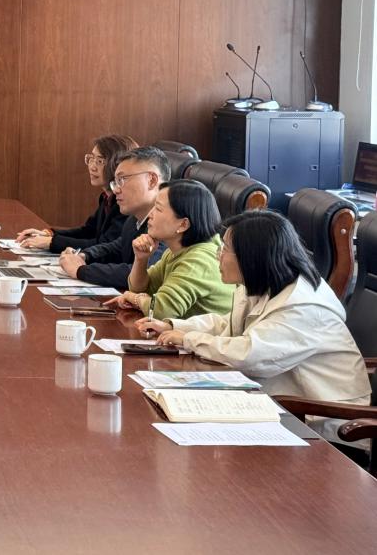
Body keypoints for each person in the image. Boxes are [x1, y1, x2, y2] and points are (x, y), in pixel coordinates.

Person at [137, 210, 370, 406]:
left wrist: (189, 340)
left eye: (225, 249)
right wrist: (173, 326)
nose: (218, 256)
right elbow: (229, 323)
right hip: (279, 400)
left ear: (251, 257)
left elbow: (250, 355)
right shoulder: (262, 282)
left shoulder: (303, 306)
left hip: (321, 418)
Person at [104, 179, 233, 320]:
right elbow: (139, 288)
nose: (150, 214)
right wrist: (141, 259)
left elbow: (161, 311)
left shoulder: (199, 260)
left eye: (158, 209)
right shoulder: (176, 251)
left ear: (183, 224)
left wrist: (135, 299)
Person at [57, 146, 170, 290]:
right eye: (115, 182)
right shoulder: (133, 220)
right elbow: (116, 248)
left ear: (151, 180)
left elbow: (145, 272)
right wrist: (84, 256)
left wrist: (81, 270)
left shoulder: (170, 222)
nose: (116, 190)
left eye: (122, 179)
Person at [16, 134, 136, 253]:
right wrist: (49, 234)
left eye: (100, 161)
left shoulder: (124, 202)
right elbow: (88, 231)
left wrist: (52, 242)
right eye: (91, 159)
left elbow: (103, 245)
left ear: (117, 165)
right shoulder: (106, 197)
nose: (92, 167)